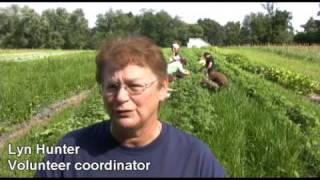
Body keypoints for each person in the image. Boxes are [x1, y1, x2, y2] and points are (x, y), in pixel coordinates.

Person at [35, 35, 225, 178]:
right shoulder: (69, 154)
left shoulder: (195, 160)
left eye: (134, 86)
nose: (121, 97)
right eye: (111, 86)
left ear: (163, 88)